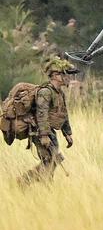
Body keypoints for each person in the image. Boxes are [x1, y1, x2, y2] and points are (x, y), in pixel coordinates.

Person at [18, 57, 78, 187]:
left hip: (50, 131)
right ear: (56, 75)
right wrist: (44, 135)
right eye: (65, 74)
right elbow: (41, 113)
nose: (68, 78)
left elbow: (63, 113)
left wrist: (67, 133)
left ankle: (41, 183)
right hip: (40, 132)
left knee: (53, 160)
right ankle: (26, 182)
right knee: (49, 160)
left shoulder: (59, 93)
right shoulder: (45, 92)